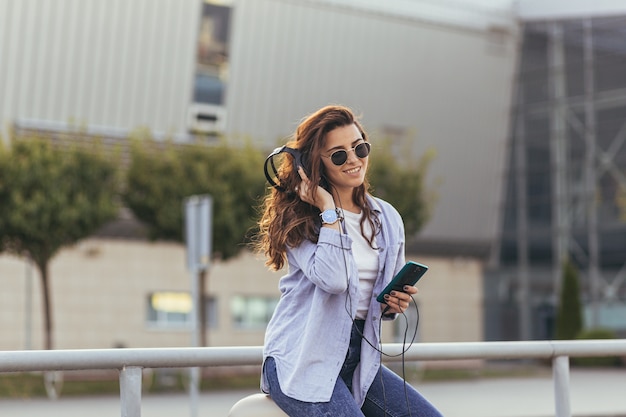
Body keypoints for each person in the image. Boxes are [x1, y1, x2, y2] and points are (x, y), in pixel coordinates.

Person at [254, 105, 442, 417]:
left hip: (360, 360)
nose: (354, 160)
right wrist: (328, 210)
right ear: (314, 164)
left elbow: (375, 299)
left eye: (359, 148)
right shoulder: (301, 220)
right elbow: (335, 279)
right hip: (301, 359)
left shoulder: (387, 217)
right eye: (338, 155)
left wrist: (392, 305)